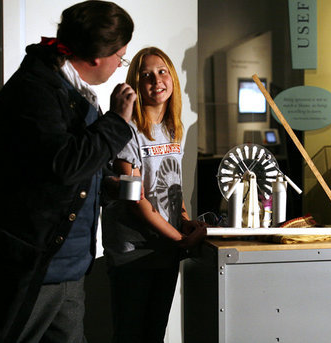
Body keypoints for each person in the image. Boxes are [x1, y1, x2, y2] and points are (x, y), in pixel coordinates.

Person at [0, 1, 136, 342]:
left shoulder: (69, 90)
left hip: (68, 268)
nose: (119, 65)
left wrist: (103, 186)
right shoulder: (34, 90)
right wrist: (117, 120)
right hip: (33, 269)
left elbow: (64, 168)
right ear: (98, 57)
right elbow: (64, 164)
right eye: (120, 57)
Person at [101, 47, 207, 343]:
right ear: (135, 84)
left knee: (154, 334)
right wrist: (181, 240)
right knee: (131, 335)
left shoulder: (174, 129)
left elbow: (174, 184)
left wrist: (183, 221)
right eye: (146, 75)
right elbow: (134, 199)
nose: (156, 80)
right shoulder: (128, 130)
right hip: (133, 252)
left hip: (165, 250)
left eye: (162, 72)